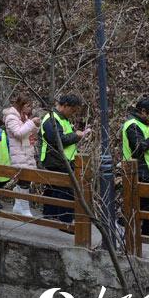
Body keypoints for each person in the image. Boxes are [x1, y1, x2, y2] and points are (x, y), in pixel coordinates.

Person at [40, 94, 90, 224]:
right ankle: (65, 222)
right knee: (65, 192)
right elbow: (57, 140)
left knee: (54, 189)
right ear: (65, 105)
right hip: (56, 161)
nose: (73, 114)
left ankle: (50, 215)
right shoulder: (51, 119)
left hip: (62, 160)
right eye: (72, 110)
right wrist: (76, 136)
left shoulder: (61, 118)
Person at [122, 98, 149, 238]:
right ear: (142, 111)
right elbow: (139, 148)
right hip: (139, 170)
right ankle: (123, 224)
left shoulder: (142, 124)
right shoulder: (133, 125)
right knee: (141, 203)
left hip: (147, 169)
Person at [2, 93, 41, 217]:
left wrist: (35, 126)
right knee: (24, 180)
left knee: (25, 181)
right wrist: (31, 123)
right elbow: (18, 133)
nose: (30, 109)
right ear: (21, 105)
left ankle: (18, 206)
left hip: (27, 152)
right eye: (28, 106)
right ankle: (25, 209)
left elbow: (29, 133)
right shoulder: (11, 117)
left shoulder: (23, 116)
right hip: (19, 153)